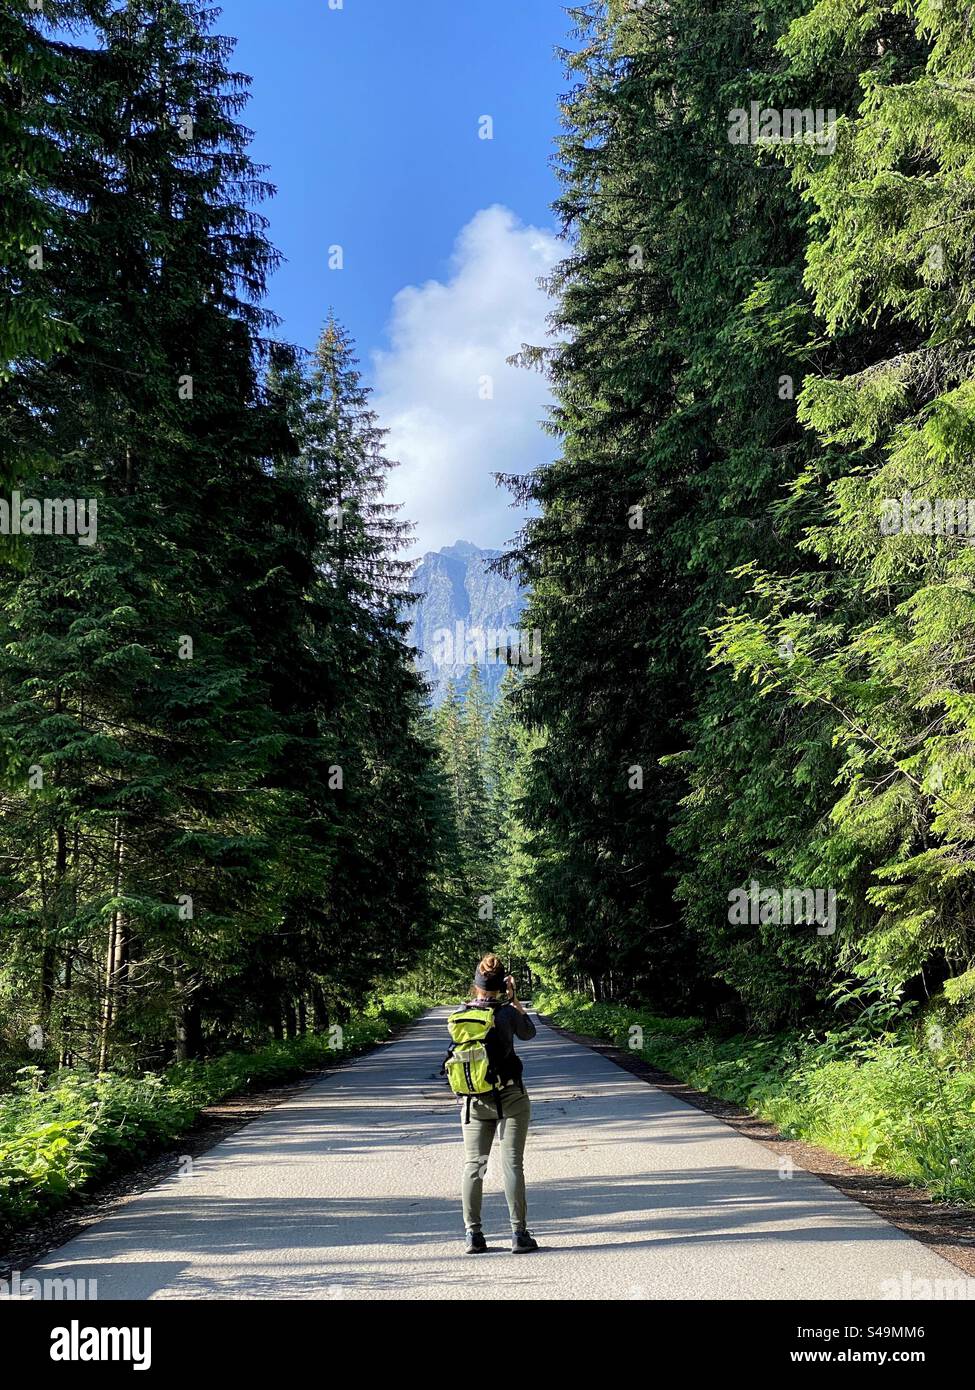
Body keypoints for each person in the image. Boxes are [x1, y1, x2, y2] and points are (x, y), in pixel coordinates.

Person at [459, 952, 538, 1255]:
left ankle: (473, 1235)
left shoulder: (462, 1014)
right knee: (512, 1165)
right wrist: (514, 998)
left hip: (474, 1100)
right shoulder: (507, 1013)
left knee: (475, 1166)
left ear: (476, 985)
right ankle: (519, 1234)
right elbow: (529, 1032)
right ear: (503, 984)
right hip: (511, 1097)